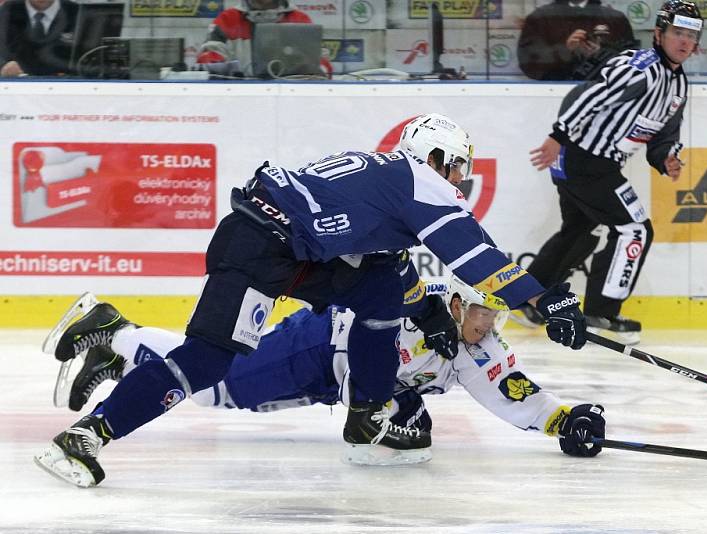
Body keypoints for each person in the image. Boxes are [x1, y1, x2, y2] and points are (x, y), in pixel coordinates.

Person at [35, 112, 589, 488]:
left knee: (380, 296)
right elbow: (475, 258)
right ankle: (88, 433)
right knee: (209, 364)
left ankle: (365, 415)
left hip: (296, 250)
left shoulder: (382, 179)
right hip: (264, 247)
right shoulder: (420, 180)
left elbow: (387, 267)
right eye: (458, 167)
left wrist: (424, 313)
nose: (460, 181)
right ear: (435, 155)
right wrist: (547, 301)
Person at [41, 278, 605, 475]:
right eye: (481, 314)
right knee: (216, 388)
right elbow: (392, 303)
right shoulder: (423, 306)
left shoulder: (479, 349)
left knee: (217, 386)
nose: (487, 327)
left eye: (495, 317)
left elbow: (515, 394)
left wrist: (566, 418)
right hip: (314, 348)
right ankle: (113, 330)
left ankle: (117, 355)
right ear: (457, 304)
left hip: (328, 380)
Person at [521, 0, 702, 344]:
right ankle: (600, 313)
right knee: (635, 229)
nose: (684, 41)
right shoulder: (641, 68)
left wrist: (666, 158)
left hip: (586, 162)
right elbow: (594, 97)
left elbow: (664, 134)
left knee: (579, 227)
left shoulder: (677, 85)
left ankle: (527, 296)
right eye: (677, 32)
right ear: (659, 34)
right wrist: (557, 136)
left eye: (691, 35)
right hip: (585, 161)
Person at [195, 0, 332, 77]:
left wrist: (316, 73)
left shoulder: (300, 20)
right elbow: (209, 59)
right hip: (240, 98)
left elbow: (322, 64)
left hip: (290, 97)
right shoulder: (227, 19)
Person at [517, 0, 635, 81]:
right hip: (553, 95)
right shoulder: (539, 18)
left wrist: (602, 55)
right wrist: (565, 50)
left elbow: (632, 61)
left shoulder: (615, 19)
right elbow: (528, 64)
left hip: (605, 95)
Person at [0, 0, 79, 77]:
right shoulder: (8, 10)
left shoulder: (78, 12)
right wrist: (3, 65)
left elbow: (87, 57)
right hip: (16, 84)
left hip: (67, 84)